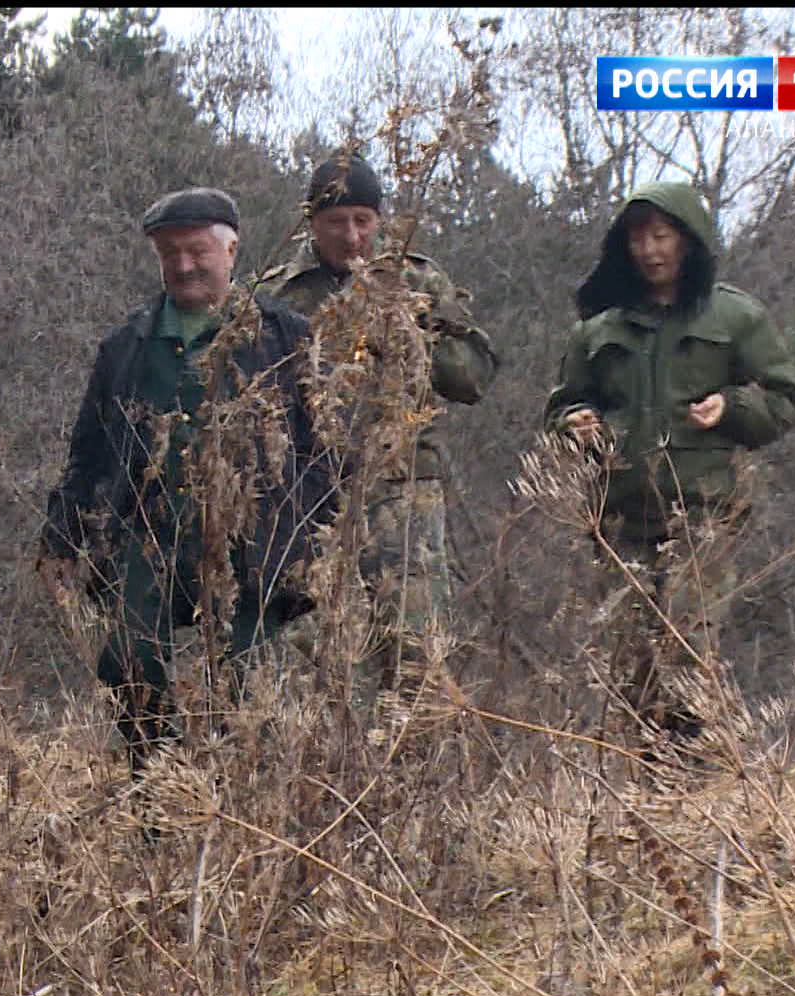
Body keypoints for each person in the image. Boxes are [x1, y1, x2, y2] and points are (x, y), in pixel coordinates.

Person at [38, 186, 341, 778]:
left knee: (244, 690)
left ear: (231, 252)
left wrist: (313, 541)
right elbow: (89, 453)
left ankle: (232, 815)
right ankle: (157, 796)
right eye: (169, 253)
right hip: (148, 540)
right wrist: (58, 540)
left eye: (196, 251)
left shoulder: (286, 338)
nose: (182, 265)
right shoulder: (127, 346)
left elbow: (328, 449)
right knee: (128, 662)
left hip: (254, 550)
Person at [544, 180, 795, 745]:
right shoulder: (598, 328)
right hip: (619, 520)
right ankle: (651, 792)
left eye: (661, 236)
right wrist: (575, 426)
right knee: (631, 666)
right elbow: (560, 409)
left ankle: (693, 783)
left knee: (687, 647)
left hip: (704, 513)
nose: (650, 250)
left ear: (687, 241)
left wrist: (732, 407)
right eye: (638, 238)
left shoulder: (736, 317)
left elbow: (785, 401)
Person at [256, 148, 498, 717]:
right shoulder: (277, 292)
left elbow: (473, 378)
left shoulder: (417, 278)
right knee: (315, 648)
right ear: (311, 222)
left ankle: (418, 774)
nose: (353, 235)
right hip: (309, 491)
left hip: (401, 486)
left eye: (364, 220)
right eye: (337, 222)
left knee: (414, 646)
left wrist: (414, 332)